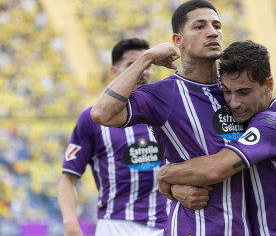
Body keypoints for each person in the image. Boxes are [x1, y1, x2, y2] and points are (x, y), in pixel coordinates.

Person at [90, 0, 251, 235]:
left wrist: (167, 180)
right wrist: (145, 58)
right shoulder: (162, 94)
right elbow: (101, 113)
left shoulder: (238, 90)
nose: (212, 32)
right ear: (178, 41)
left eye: (217, 25)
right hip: (192, 227)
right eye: (199, 26)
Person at [58, 38, 207, 236]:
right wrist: (70, 224)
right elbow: (68, 178)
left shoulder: (168, 113)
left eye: (148, 64)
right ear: (114, 72)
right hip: (115, 227)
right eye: (133, 65)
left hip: (168, 224)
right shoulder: (92, 119)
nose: (142, 71)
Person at [157, 40, 276, 236]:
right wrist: (176, 189)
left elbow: (216, 168)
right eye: (227, 91)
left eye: (244, 92)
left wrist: (166, 174)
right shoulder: (245, 116)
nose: (234, 103)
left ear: (268, 84)